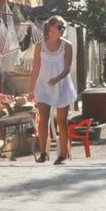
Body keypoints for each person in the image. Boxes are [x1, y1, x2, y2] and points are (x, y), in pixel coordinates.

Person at [30, 14, 77, 164]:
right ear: (50, 28)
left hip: (62, 86)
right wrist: (31, 89)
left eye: (63, 27)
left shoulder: (67, 45)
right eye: (59, 27)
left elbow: (68, 68)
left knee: (62, 121)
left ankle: (62, 154)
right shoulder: (40, 47)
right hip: (43, 87)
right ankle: (43, 152)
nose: (62, 30)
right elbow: (36, 68)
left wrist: (56, 79)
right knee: (43, 119)